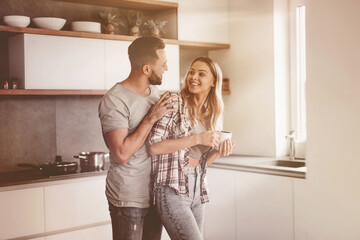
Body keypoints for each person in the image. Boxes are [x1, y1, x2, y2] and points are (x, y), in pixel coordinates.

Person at [98, 36, 177, 240]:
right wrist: (151, 118)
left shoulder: (155, 94)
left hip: (156, 195)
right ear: (146, 69)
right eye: (163, 63)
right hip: (129, 198)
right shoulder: (114, 100)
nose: (166, 68)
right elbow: (122, 154)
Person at [148, 56, 234, 240]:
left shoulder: (211, 113)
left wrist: (219, 150)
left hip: (197, 188)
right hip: (172, 188)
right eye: (192, 72)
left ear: (213, 82)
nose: (193, 77)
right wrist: (197, 138)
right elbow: (154, 147)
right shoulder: (175, 102)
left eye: (201, 74)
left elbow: (202, 163)